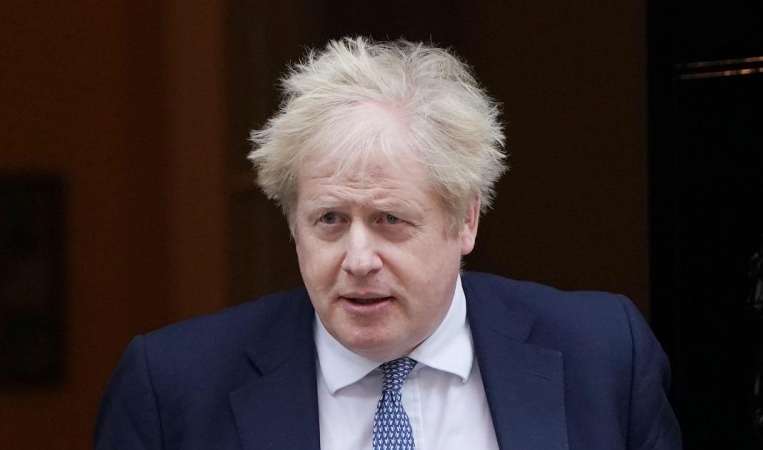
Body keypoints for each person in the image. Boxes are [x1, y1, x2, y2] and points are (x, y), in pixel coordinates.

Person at [95, 36, 681, 449]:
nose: (357, 260)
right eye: (328, 219)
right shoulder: (173, 388)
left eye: (390, 220)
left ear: (466, 220)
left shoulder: (602, 358)